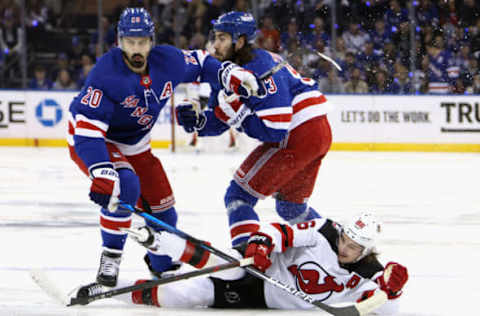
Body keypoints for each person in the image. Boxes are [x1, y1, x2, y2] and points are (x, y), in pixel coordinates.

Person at [67, 7, 265, 287]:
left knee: (164, 212)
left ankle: (162, 266)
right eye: (130, 42)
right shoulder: (105, 74)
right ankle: (109, 262)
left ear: (152, 41)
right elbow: (87, 130)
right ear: (118, 42)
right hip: (96, 140)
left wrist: (231, 75)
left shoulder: (168, 60)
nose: (136, 49)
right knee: (125, 183)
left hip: (136, 144)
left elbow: (201, 62)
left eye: (142, 42)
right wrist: (101, 170)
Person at [176, 11, 332, 247]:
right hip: (315, 132)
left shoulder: (259, 65)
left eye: (222, 38)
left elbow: (276, 129)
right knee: (291, 207)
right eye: (215, 37)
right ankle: (335, 249)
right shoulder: (227, 71)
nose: (214, 45)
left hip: (298, 133)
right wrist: (198, 121)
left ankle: (247, 261)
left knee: (238, 197)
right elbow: (220, 120)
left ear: (239, 42)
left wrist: (239, 114)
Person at [70, 212, 409, 314]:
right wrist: (262, 245)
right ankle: (154, 239)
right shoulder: (325, 231)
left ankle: (115, 292)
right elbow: (279, 232)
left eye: (353, 247)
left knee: (188, 297)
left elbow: (382, 309)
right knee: (232, 264)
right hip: (261, 270)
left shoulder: (371, 274)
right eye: (345, 240)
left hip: (260, 299)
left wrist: (392, 290)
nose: (344, 248)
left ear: (367, 250)